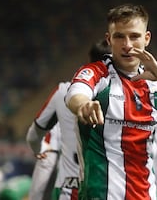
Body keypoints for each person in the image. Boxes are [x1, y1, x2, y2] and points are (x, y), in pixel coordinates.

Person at [65, 3, 157, 200]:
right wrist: (83, 105)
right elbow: (76, 93)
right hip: (100, 194)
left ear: (146, 38)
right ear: (109, 39)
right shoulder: (97, 73)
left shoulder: (156, 85)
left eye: (134, 36)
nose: (127, 45)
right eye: (119, 36)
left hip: (145, 194)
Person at [26, 39, 111, 200]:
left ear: (89, 62)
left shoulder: (63, 91)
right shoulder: (126, 95)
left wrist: (39, 149)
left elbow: (34, 135)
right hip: (110, 189)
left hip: (69, 187)